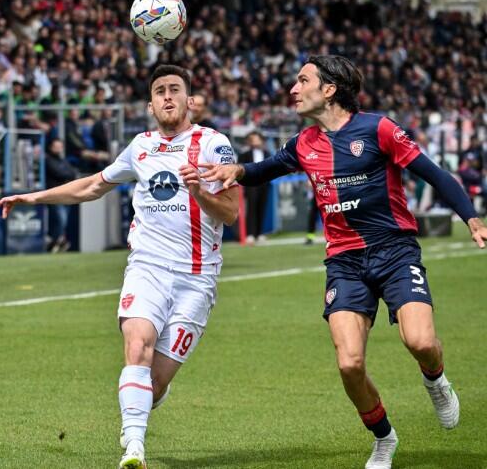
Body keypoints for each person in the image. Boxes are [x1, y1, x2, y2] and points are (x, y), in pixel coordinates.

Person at [200, 55, 487, 469]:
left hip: (394, 251)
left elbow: (435, 174)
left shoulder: (378, 129)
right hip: (345, 263)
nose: (293, 89)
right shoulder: (303, 143)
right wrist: (237, 170)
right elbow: (265, 169)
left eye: (303, 81)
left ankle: (436, 380)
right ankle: (384, 438)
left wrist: (472, 218)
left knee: (421, 342)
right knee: (350, 364)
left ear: (330, 89)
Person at [0, 64, 239, 469]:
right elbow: (93, 185)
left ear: (191, 101)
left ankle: (145, 399)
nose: (167, 96)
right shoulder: (140, 147)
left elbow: (230, 213)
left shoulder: (215, 145)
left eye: (174, 89)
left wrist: (199, 192)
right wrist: (33, 197)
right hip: (147, 267)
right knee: (137, 346)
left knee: (153, 382)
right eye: (159, 91)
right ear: (150, 105)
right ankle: (134, 449)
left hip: (197, 277)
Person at [44, 138, 79, 252]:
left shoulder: (63, 160)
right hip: (54, 195)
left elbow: (72, 173)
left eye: (60, 146)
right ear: (51, 147)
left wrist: (67, 175)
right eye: (56, 146)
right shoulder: (48, 160)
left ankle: (57, 243)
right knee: (60, 220)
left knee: (63, 221)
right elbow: (59, 173)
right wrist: (67, 175)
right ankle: (54, 242)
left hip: (66, 194)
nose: (59, 148)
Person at [238, 131, 271, 243]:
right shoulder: (245, 154)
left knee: (262, 208)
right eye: (252, 139)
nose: (255, 141)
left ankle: (260, 233)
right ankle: (250, 234)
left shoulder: (267, 153)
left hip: (264, 184)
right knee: (251, 209)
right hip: (250, 184)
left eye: (257, 139)